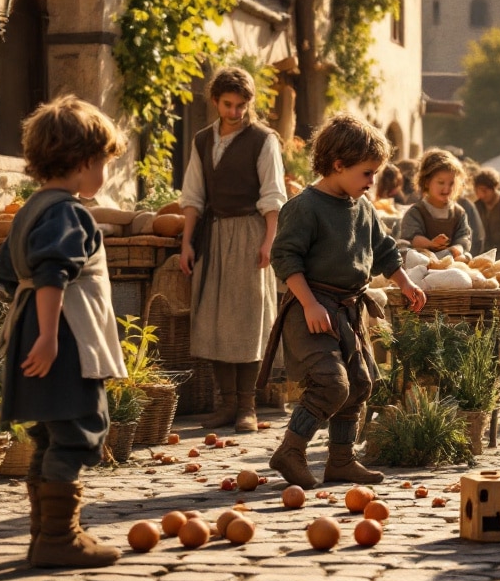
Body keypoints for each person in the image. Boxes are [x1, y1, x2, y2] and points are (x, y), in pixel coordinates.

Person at [0, 96, 129, 568]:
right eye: (104, 163)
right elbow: (53, 271)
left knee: (50, 435)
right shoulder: (69, 212)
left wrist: (30, 328)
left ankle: (46, 533)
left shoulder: (30, 210)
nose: (104, 173)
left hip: (32, 331)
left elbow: (7, 276)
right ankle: (58, 537)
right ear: (83, 161)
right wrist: (49, 336)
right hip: (63, 341)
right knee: (75, 429)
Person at [266, 114, 426, 488]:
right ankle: (290, 451)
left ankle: (340, 460)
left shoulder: (363, 207)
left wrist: (405, 283)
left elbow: (384, 250)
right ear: (338, 165)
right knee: (332, 384)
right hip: (311, 310)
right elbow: (285, 258)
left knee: (359, 383)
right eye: (367, 173)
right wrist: (309, 304)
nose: (372, 182)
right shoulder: (305, 207)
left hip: (347, 312)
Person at [178, 67, 286, 433]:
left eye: (241, 105)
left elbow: (273, 195)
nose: (235, 112)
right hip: (213, 234)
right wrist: (187, 243)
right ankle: (226, 404)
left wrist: (268, 241)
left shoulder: (263, 139)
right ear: (215, 101)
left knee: (248, 319)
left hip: (249, 233)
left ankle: (247, 407)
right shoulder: (202, 140)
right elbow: (193, 195)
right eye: (228, 104)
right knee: (215, 319)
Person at [398, 149, 473, 259]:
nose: (447, 188)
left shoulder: (458, 213)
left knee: (467, 257)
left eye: (451, 183)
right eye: (441, 182)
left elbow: (463, 236)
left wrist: (458, 248)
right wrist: (430, 244)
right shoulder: (416, 212)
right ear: (426, 182)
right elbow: (412, 237)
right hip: (423, 261)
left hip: (451, 261)